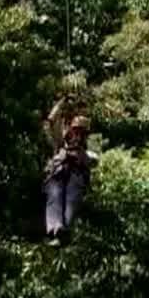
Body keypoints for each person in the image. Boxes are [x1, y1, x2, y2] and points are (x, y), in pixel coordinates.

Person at [43, 98, 98, 244]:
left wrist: (84, 159)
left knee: (71, 202)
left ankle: (62, 232)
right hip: (58, 173)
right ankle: (56, 228)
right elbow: (50, 121)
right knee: (55, 197)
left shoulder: (86, 154)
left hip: (75, 177)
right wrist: (61, 103)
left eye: (82, 133)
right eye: (76, 131)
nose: (78, 136)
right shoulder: (60, 142)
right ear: (71, 130)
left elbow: (92, 161)